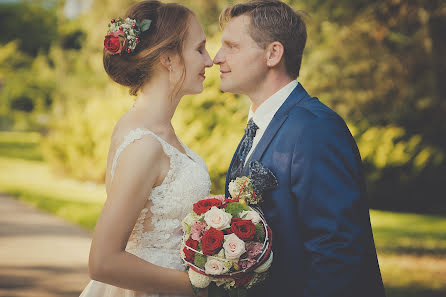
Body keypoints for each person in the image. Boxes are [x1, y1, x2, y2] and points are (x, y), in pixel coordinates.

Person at [214, 1, 386, 296]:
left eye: (232, 46)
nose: (218, 58)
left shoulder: (315, 129)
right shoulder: (259, 125)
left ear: (273, 53)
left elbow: (338, 255)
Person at [79, 1, 212, 296]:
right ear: (168, 58)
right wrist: (198, 287)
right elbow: (102, 262)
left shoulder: (155, 130)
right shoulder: (144, 144)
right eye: (200, 49)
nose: (210, 60)